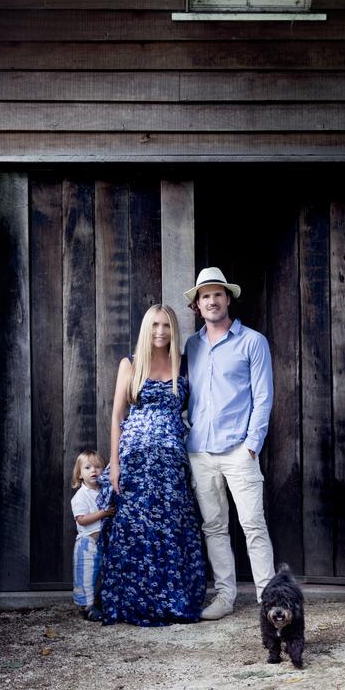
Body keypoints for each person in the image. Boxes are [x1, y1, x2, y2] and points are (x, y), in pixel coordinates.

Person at [97, 303, 207, 626]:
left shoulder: (184, 366)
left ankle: (171, 599)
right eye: (155, 325)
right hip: (135, 460)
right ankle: (132, 600)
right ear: (147, 328)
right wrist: (114, 463)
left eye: (167, 326)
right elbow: (117, 416)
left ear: (174, 330)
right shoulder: (130, 365)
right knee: (135, 529)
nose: (161, 332)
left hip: (171, 464)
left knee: (171, 529)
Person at [184, 266, 275, 620]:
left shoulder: (252, 341)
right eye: (205, 296)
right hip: (200, 452)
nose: (211, 301)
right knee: (214, 526)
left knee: (253, 523)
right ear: (197, 305)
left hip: (239, 450)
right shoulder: (191, 346)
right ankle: (224, 596)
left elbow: (263, 397)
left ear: (228, 299)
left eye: (217, 294)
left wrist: (252, 444)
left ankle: (269, 599)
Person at [70, 449, 115, 621]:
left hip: (103, 542)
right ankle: (85, 606)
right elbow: (82, 519)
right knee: (85, 575)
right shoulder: (80, 496)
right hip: (87, 543)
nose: (93, 471)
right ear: (80, 474)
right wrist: (103, 513)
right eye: (88, 468)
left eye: (98, 467)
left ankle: (100, 602)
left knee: (105, 574)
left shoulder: (104, 491)